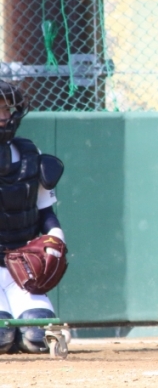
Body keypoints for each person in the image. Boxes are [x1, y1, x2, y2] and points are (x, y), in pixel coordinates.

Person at [0, 81, 67, 354]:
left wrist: (56, 239)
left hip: (22, 267)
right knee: (1, 337)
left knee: (37, 336)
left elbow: (45, 211)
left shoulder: (30, 154)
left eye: (6, 108)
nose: (3, 116)